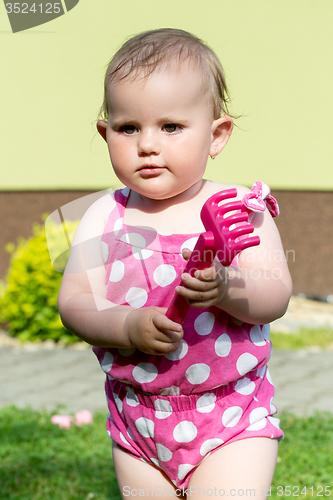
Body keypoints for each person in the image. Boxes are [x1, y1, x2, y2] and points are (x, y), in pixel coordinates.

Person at [58, 28, 292, 499]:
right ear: (106, 134)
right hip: (138, 418)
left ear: (216, 135)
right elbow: (74, 302)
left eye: (170, 127)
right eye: (128, 128)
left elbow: (275, 296)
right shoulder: (102, 215)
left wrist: (229, 289)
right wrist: (124, 325)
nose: (148, 144)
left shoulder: (242, 211)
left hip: (229, 415)